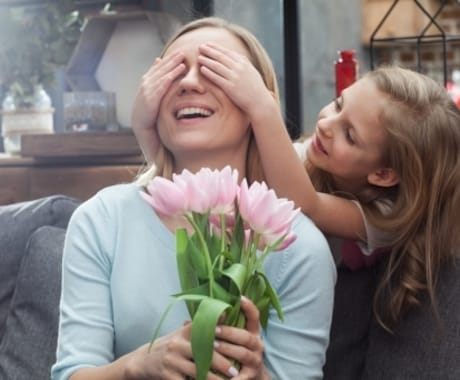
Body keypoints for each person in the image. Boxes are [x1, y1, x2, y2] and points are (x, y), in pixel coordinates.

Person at [51, 17, 336, 380]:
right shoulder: (102, 220)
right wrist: (137, 366)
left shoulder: (297, 246)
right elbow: (71, 374)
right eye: (172, 72)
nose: (188, 82)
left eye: (216, 69)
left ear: (258, 105)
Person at [133, 40, 460, 331]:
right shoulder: (312, 156)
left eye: (350, 134)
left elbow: (305, 203)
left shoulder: (385, 216)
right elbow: (182, 177)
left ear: (384, 174)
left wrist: (261, 106)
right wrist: (145, 125)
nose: (326, 124)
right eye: (338, 103)